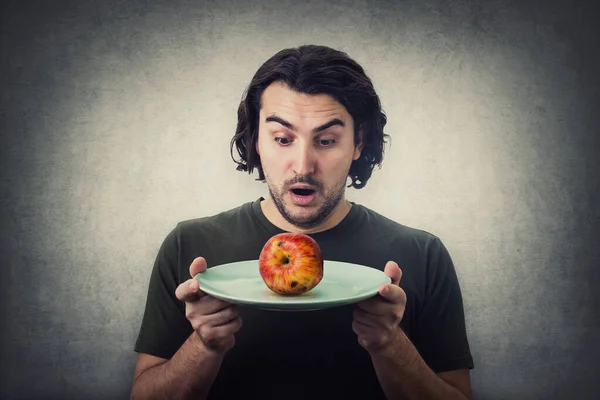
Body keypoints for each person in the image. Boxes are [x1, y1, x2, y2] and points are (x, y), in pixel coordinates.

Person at [130, 44, 474, 400]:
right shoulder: (190, 247)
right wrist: (204, 345)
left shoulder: (421, 254)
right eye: (282, 139)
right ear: (257, 142)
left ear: (357, 143)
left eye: (326, 140)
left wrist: (389, 345)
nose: (303, 165)